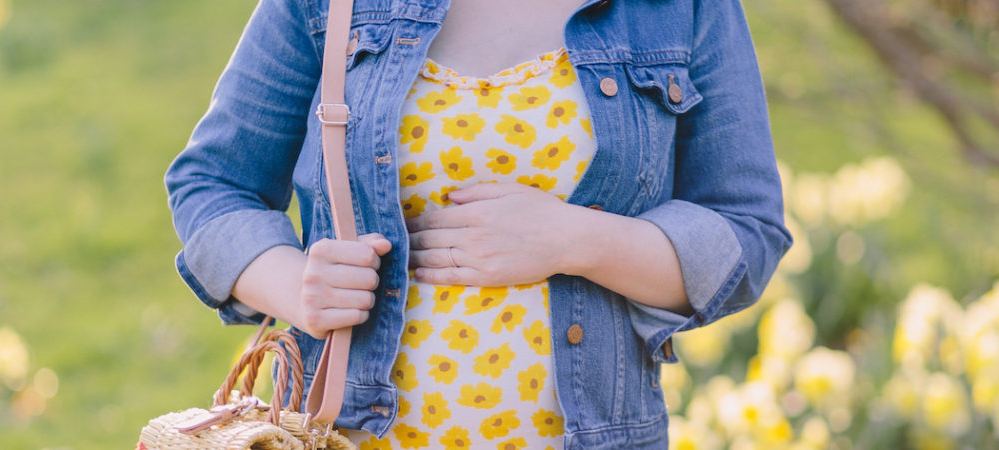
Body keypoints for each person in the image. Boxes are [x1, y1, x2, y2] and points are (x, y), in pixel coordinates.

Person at [165, 0, 792, 447]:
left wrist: (575, 240)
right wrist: (298, 286)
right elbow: (213, 184)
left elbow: (745, 229)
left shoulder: (681, 9)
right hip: (348, 436)